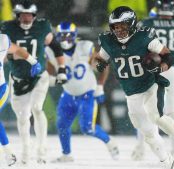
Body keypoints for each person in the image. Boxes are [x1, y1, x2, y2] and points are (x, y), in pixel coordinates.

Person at [95, 6, 174, 169]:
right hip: (131, 92)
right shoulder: (108, 42)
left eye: (123, 26)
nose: (119, 30)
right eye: (116, 27)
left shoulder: (144, 37)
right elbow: (99, 59)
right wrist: (99, 64)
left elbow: (169, 56)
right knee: (147, 132)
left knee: (156, 116)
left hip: (150, 85)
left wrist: (161, 68)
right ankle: (166, 160)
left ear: (131, 24)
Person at [0, 0, 67, 164]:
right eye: (22, 15)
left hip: (39, 76)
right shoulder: (7, 28)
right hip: (17, 77)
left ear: (34, 16)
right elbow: (11, 50)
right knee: (23, 117)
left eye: (29, 15)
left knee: (37, 108)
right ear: (17, 15)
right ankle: (25, 150)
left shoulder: (42, 27)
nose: (25, 18)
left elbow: (56, 47)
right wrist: (11, 57)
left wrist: (62, 69)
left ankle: (41, 149)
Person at [46, 21, 119, 162]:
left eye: (68, 36)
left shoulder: (85, 47)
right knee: (62, 125)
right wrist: (50, 79)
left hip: (87, 93)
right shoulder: (51, 51)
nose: (65, 39)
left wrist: (100, 86)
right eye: (62, 36)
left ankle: (109, 142)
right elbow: (49, 73)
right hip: (68, 93)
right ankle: (66, 155)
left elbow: (104, 66)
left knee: (88, 128)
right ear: (57, 37)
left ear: (74, 36)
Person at [132, 0, 174, 161]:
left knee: (144, 110)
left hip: (152, 68)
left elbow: (138, 43)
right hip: (173, 67)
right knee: (172, 111)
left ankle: (140, 148)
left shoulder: (149, 22)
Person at [0, 33, 41, 166]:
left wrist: (32, 61)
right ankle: (7, 153)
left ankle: (8, 153)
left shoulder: (2, 40)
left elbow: (16, 49)